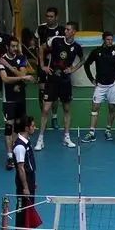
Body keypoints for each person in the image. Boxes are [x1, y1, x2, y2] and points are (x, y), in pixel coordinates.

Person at [36, 22, 84, 150]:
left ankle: (66, 137)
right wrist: (42, 66)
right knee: (45, 109)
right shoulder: (56, 40)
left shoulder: (77, 47)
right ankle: (40, 139)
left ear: (74, 32)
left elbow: (82, 60)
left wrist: (73, 68)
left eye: (68, 30)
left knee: (66, 109)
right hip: (52, 80)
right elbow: (41, 48)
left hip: (65, 82)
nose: (65, 31)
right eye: (65, 29)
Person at [80, 31, 115, 143]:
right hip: (100, 86)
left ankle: (108, 130)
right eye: (108, 40)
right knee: (95, 108)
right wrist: (91, 79)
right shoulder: (96, 52)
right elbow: (87, 64)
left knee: (112, 108)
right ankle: (91, 132)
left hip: (112, 85)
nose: (110, 42)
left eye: (111, 40)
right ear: (103, 40)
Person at [0, 37, 36, 170]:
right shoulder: (1, 60)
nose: (14, 48)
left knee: (19, 127)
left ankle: (16, 152)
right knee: (9, 127)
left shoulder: (22, 58)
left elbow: (22, 75)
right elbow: (5, 79)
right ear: (7, 47)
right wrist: (22, 77)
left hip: (20, 99)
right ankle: (9, 157)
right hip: (8, 100)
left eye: (16, 46)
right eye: (12, 46)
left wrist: (9, 67)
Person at [12, 115, 41, 230]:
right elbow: (20, 168)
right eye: (32, 125)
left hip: (29, 180)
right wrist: (25, 186)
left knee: (28, 207)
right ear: (26, 128)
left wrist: (32, 183)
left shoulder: (26, 142)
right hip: (23, 183)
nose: (34, 127)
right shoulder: (20, 146)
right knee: (22, 209)